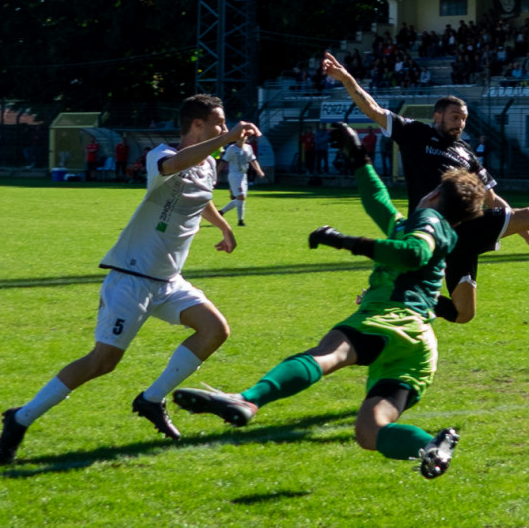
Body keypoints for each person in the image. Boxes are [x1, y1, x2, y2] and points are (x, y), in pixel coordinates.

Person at [172, 123, 487, 479]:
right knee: (370, 432)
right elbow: (379, 202)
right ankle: (429, 447)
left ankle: (249, 398)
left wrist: (343, 240)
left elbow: (413, 253)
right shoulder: (418, 225)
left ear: (433, 195)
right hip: (418, 347)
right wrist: (359, 157)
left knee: (328, 353)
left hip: (392, 320)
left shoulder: (429, 219)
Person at [0, 94, 261, 465]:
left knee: (215, 330)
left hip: (167, 280)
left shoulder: (208, 163)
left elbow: (198, 194)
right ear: (197, 124)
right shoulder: (160, 155)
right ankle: (20, 418)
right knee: (102, 362)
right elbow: (174, 167)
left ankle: (151, 399)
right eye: (219, 122)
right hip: (132, 277)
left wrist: (224, 226)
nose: (224, 127)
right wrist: (227, 138)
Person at [321, 52, 529, 323]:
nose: (460, 123)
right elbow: (373, 109)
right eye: (455, 117)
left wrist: (526, 234)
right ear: (437, 116)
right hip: (436, 225)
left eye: (464, 118)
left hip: (462, 233)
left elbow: (491, 198)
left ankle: (394, 291)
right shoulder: (414, 133)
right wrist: (346, 78)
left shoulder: (466, 153)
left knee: (463, 313)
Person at [219, 134, 265, 227]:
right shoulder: (231, 148)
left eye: (243, 138)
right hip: (234, 175)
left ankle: (221, 212)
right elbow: (224, 161)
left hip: (243, 175)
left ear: (246, 138)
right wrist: (216, 172)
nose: (241, 140)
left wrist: (259, 170)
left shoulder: (248, 148)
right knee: (241, 197)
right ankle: (240, 221)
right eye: (239, 138)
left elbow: (253, 160)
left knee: (240, 199)